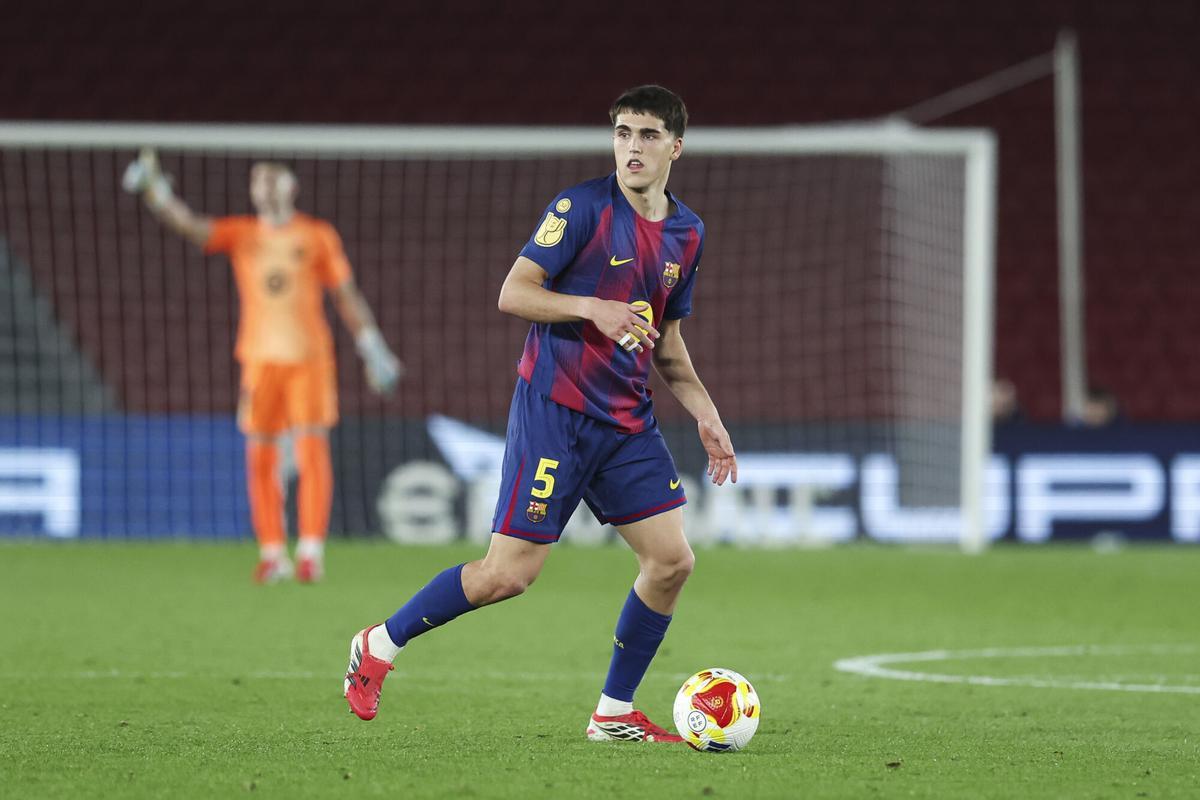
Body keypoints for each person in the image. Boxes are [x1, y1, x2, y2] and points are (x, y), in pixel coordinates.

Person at [342, 85, 737, 743]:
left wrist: (705, 411)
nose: (632, 148)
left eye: (646, 135)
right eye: (622, 133)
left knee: (672, 562)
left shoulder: (686, 234)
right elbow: (513, 292)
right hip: (556, 409)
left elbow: (665, 343)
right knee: (508, 576)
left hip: (627, 421)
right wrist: (592, 308)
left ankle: (613, 714)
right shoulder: (580, 207)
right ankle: (379, 644)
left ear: (676, 145)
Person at [122, 152, 402, 584]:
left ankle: (311, 551)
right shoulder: (242, 234)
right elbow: (191, 227)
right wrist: (157, 194)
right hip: (259, 360)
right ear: (252, 191)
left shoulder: (316, 235)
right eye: (258, 180)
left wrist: (373, 348)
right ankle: (273, 553)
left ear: (292, 186)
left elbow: (345, 293)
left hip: (309, 359)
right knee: (260, 456)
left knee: (311, 451)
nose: (266, 186)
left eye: (274, 178)